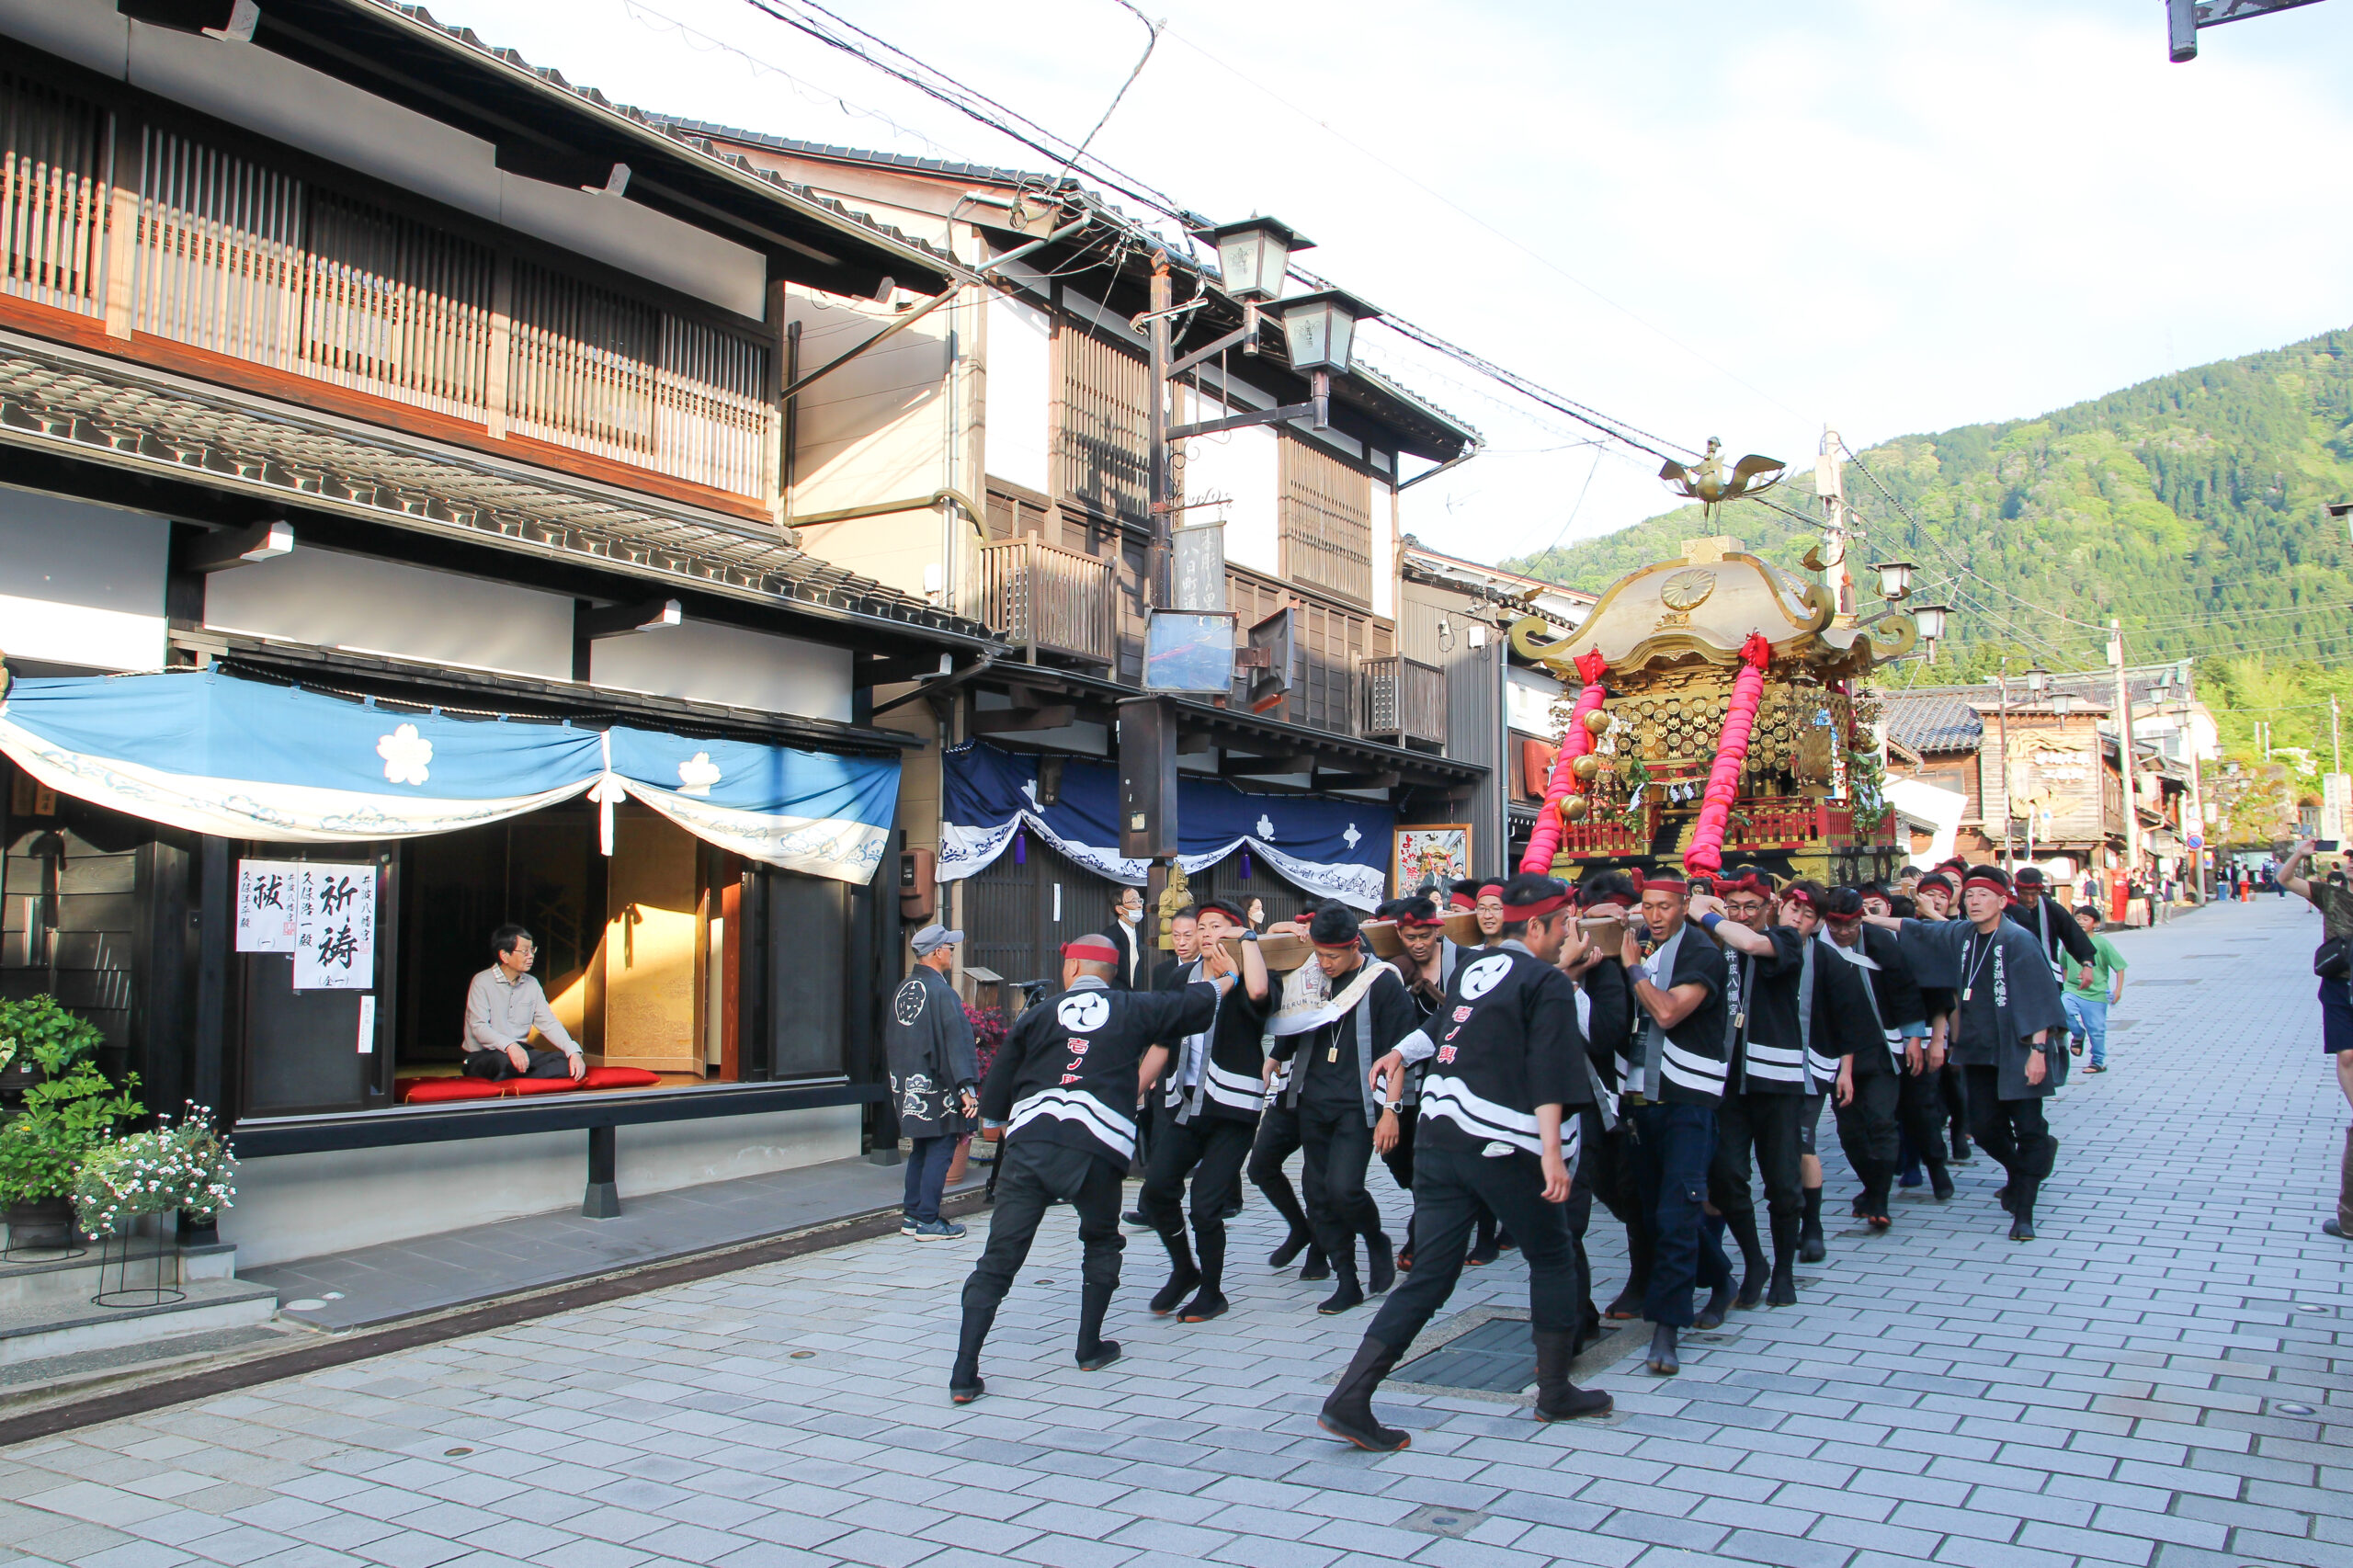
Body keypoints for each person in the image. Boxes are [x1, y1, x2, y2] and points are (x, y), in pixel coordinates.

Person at [1320, 874, 1610, 1450]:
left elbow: (1441, 1027)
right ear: (1540, 925)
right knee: (1552, 1255)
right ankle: (1554, 1390)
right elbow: (1552, 1068)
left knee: (1430, 1276)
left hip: (1438, 1135)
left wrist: (1400, 1050)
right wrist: (1553, 1153)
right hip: (1504, 1142)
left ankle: (1350, 1398)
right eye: (1564, 924)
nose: (1568, 934)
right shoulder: (1544, 980)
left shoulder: (1475, 966)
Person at [950, 935, 1233, 1403]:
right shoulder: (1133, 1007)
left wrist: (994, 1121)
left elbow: (1002, 1075)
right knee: (1100, 1241)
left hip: (1032, 1140)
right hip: (1098, 1142)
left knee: (998, 1260)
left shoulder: (1039, 1013)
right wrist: (1230, 977)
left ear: (1073, 967)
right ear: (1110, 973)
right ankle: (1088, 1347)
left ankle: (964, 1373)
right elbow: (1192, 1001)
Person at [1690, 875, 1878, 1301]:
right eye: (1733, 906)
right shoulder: (1714, 943)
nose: (1741, 914)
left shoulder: (1786, 940)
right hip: (1727, 1082)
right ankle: (1755, 1259)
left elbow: (1752, 944)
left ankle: (1784, 1271)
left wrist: (1704, 911)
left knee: (1782, 1181)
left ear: (1769, 907)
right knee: (1726, 1177)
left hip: (1777, 1081)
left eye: (1750, 907)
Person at [1867, 865, 2069, 1241]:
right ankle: (2027, 1169)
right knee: (1985, 1128)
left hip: (2021, 1048)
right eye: (1970, 896)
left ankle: (2023, 1210)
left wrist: (2039, 1050)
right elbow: (1923, 931)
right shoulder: (1965, 934)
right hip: (1979, 1048)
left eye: (1984, 896)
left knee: (2027, 1128)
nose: (1974, 902)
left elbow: (2041, 998)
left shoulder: (2019, 940)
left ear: (2002, 901)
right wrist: (1871, 921)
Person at [1265, 903, 1416, 1314]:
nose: (1324, 962)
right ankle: (1346, 1280)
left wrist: (1391, 1111)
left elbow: (1399, 1051)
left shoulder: (1381, 982)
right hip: (1312, 1100)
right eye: (1319, 953)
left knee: (1344, 1188)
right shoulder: (1312, 978)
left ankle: (1375, 1238)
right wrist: (1273, 1060)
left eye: (1332, 955)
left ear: (1354, 946)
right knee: (1317, 1193)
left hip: (1358, 1103)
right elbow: (1292, 1028)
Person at [1613, 869, 1732, 1376]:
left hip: (1687, 1098)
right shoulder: (1637, 943)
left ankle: (1667, 1327)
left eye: (1665, 906)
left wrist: (1632, 970)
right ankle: (1721, 1275)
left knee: (1678, 1210)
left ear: (1686, 906)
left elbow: (1665, 1014)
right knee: (1656, 1210)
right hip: (1640, 1100)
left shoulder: (1701, 953)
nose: (1655, 916)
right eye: (1649, 906)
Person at [1138, 898, 1271, 1323]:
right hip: (1185, 1103)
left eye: (1217, 926)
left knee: (1206, 1202)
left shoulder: (1252, 971)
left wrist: (1248, 939)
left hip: (1233, 1107)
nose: (1207, 933)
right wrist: (1132, 1091)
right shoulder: (1182, 977)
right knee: (1156, 1190)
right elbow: (1163, 1040)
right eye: (1202, 926)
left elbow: (1259, 994)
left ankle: (1213, 1292)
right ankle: (1184, 1270)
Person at [1821, 887, 1936, 1221]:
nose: (1843, 932)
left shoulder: (1879, 940)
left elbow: (1904, 988)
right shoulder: (1814, 945)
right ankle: (1871, 1187)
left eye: (1850, 925)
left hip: (1881, 1048)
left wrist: (1914, 1037)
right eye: (1835, 924)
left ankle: (1880, 1199)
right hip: (1836, 1053)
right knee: (1851, 1131)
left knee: (1882, 1122)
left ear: (1861, 919)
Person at [1373, 894, 1457, 1270]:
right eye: (1410, 937)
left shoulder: (1465, 963)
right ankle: (1432, 1210)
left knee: (1436, 1158)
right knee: (1398, 1156)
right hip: (1408, 1077)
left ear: (1437, 931)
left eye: (1424, 935)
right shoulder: (1393, 971)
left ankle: (1422, 1234)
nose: (1418, 943)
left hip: (1456, 1076)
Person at [2278, 841, 2353, 1240]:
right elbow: (2284, 880)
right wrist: (2300, 852)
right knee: (2347, 1055)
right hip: (2341, 985)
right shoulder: (2332, 894)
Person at [1248, 943, 1336, 1283]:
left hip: (1328, 1091)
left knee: (1317, 1181)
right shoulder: (1299, 959)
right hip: (1290, 1089)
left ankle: (1320, 1252)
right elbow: (1296, 1015)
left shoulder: (1356, 968)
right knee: (1260, 1165)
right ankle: (1301, 1229)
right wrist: (1276, 1055)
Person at [888, 925, 980, 1241]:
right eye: (949, 948)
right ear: (937, 952)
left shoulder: (904, 988)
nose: (952, 953)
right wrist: (967, 1089)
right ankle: (928, 1219)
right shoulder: (942, 992)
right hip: (938, 1085)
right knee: (941, 1149)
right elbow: (957, 1042)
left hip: (908, 1085)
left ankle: (912, 1215)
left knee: (920, 1150)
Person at [461, 925, 585, 1082]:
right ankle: (520, 1079)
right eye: (524, 952)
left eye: (532, 950)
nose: (531, 956)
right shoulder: (482, 981)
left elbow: (549, 1023)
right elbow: (479, 1027)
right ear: (504, 956)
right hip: (485, 1056)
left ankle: (517, 1080)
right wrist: (510, 1046)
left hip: (522, 1054)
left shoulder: (532, 984)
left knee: (565, 1063)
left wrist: (572, 1052)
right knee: (505, 1062)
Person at [2011, 868, 2099, 993]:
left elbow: (2074, 936)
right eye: (2025, 894)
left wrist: (2087, 965)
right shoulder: (2007, 910)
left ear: (2040, 891)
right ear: (2017, 891)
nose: (2030, 899)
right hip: (2013, 975)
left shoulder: (2052, 910)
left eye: (2034, 894)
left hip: (2047, 973)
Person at [2062, 905, 2127, 1074]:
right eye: (2078, 919)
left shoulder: (2102, 944)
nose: (2081, 922)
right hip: (2073, 989)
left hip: (2096, 993)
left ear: (2096, 923)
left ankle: (2097, 1062)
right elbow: (2064, 965)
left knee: (2096, 1030)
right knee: (2063, 1009)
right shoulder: (2068, 942)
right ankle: (2077, 1034)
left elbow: (2119, 967)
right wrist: (2066, 983)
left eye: (2086, 919)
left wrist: (2117, 990)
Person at [1108, 887, 1148, 990]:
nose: (1139, 905)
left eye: (1140, 901)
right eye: (1133, 901)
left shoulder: (1136, 934)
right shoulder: (1110, 936)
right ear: (1119, 909)